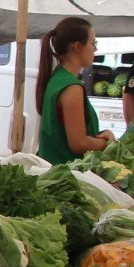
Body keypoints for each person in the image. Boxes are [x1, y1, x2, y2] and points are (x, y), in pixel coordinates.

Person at [35, 17, 115, 164]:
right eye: (93, 43)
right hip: (65, 175)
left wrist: (101, 135)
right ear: (78, 46)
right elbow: (79, 144)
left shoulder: (58, 78)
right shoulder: (71, 87)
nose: (95, 49)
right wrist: (108, 143)